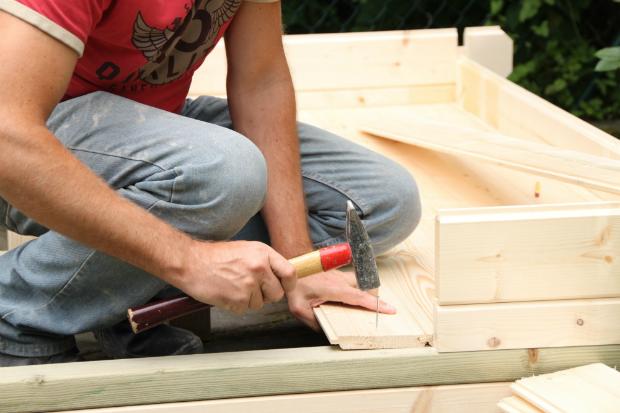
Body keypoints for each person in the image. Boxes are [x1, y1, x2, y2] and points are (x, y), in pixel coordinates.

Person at [0, 0, 421, 366]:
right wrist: (188, 261)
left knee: (380, 201)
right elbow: (8, 135)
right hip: (33, 133)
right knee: (226, 173)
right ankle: (15, 307)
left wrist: (298, 261)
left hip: (148, 120)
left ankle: (115, 294)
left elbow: (262, 81)